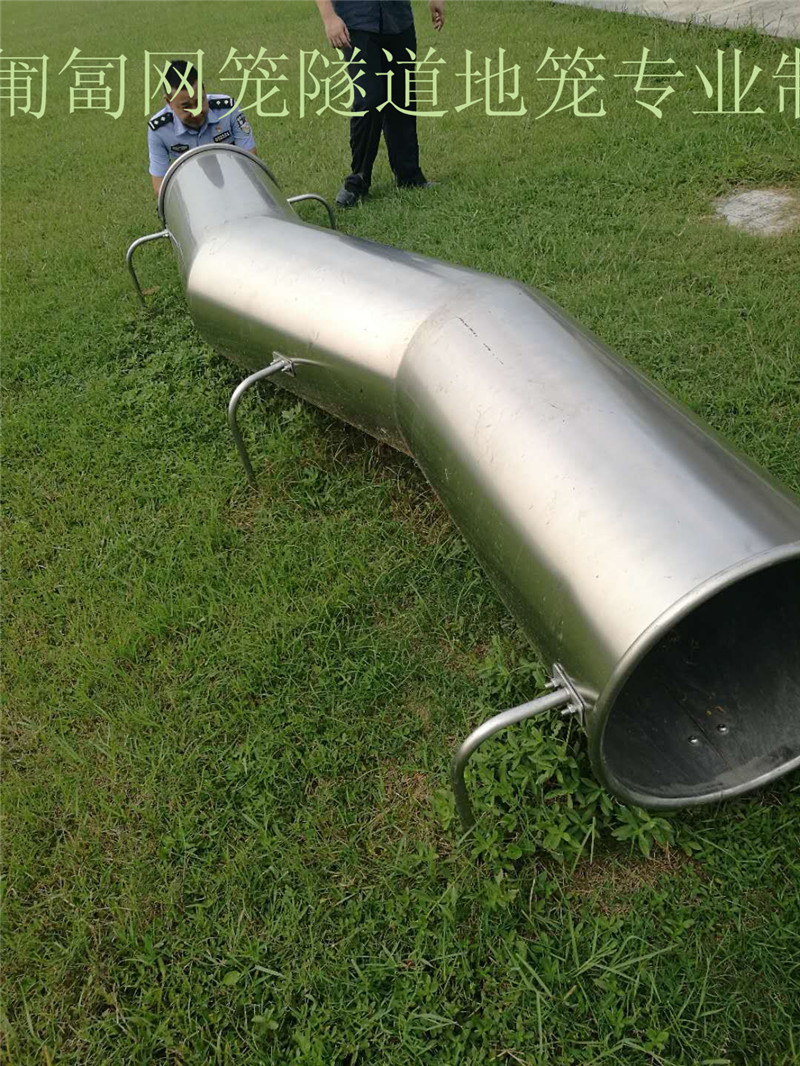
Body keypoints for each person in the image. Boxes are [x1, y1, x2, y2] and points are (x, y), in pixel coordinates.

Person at [315, 0, 445, 207]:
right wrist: (329, 17)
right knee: (369, 99)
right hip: (357, 19)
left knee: (402, 96)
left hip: (398, 17)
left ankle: (409, 175)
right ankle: (357, 181)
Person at [147, 60, 258, 197]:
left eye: (199, 101)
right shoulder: (159, 129)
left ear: (204, 90)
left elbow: (251, 161)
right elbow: (160, 187)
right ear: (169, 102)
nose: (196, 112)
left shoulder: (228, 109)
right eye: (186, 107)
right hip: (194, 195)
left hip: (236, 182)